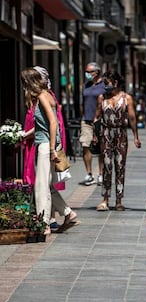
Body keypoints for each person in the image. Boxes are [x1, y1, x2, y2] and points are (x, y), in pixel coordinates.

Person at [21, 68, 78, 235]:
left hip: (46, 146)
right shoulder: (46, 95)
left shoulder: (41, 96)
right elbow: (42, 125)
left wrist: (53, 148)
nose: (24, 86)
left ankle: (44, 223)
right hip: (45, 144)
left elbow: (53, 123)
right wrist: (25, 134)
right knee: (46, 184)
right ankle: (67, 212)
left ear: (30, 82)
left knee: (41, 186)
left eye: (25, 82)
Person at [94, 71, 141, 211]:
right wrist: (95, 135)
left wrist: (136, 136)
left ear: (115, 83)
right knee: (107, 166)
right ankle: (105, 199)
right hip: (106, 133)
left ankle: (119, 200)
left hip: (121, 134)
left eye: (107, 82)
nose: (105, 85)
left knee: (120, 166)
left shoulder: (127, 98)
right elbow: (97, 117)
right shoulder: (101, 98)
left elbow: (132, 117)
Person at [79, 62, 105, 186]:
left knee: (101, 148)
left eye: (89, 72)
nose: (87, 74)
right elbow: (82, 102)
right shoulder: (86, 85)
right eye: (86, 71)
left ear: (96, 72)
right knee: (85, 145)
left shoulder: (104, 85)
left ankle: (101, 174)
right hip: (86, 120)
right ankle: (89, 174)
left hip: (100, 121)